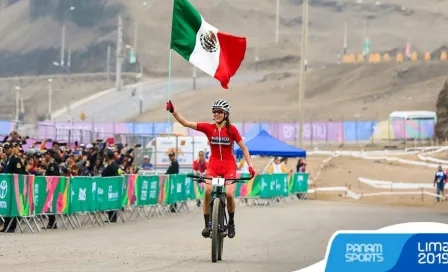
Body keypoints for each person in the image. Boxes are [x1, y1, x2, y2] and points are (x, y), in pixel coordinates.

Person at [165, 99, 255, 239]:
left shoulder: (232, 130)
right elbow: (186, 123)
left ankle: (231, 222)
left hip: (228, 165)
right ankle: (207, 225)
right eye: (214, 112)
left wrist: (250, 166)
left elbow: (244, 148)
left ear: (225, 114)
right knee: (207, 190)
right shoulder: (208, 128)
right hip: (213, 165)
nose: (216, 114)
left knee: (230, 194)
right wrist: (173, 111)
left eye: (219, 112)